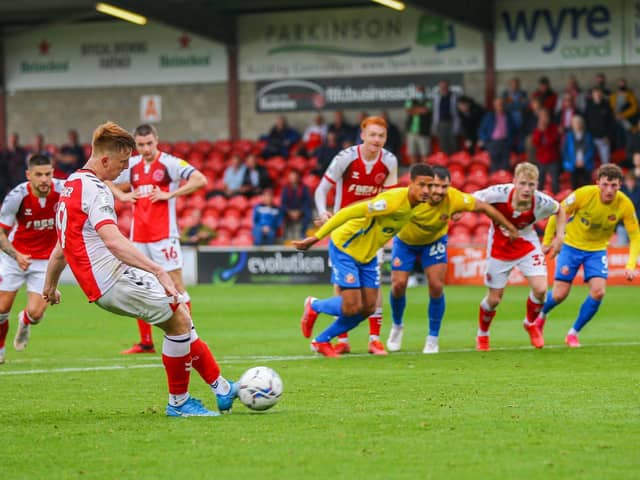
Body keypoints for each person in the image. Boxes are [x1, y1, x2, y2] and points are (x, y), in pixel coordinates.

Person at [43, 121, 237, 417]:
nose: (123, 170)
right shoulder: (95, 189)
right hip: (112, 279)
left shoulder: (71, 185)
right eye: (121, 163)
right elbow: (112, 240)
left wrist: (50, 285)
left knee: (180, 318)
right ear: (105, 159)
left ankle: (221, 388)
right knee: (181, 324)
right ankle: (180, 403)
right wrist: (157, 270)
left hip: (104, 283)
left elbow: (61, 247)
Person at [295, 164, 434, 357]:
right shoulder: (392, 202)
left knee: (368, 307)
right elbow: (349, 212)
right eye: (422, 185)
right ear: (411, 184)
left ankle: (320, 341)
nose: (426, 191)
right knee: (351, 305)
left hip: (367, 255)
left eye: (430, 186)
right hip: (346, 247)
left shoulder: (418, 206)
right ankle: (314, 305)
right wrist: (317, 237)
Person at [386, 166, 518, 354]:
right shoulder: (411, 197)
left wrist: (510, 227)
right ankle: (397, 327)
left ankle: (433, 338)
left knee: (436, 286)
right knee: (398, 285)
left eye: (445, 187)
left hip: (434, 242)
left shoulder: (454, 198)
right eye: (436, 186)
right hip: (405, 242)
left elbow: (484, 207)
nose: (440, 191)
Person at [107, 123, 207, 355]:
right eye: (140, 145)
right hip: (138, 237)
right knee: (141, 286)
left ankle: (190, 338)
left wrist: (170, 194)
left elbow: (200, 179)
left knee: (177, 287)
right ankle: (146, 342)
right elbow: (104, 177)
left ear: (156, 140)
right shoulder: (131, 165)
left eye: (149, 143)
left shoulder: (169, 163)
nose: (145, 148)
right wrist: (121, 194)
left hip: (164, 237)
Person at [313, 115, 398, 355]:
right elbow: (322, 189)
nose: (376, 139)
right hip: (344, 231)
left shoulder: (389, 161)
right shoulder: (346, 158)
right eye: (372, 134)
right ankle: (342, 340)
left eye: (381, 136)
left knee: (375, 284)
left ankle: (374, 339)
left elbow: (390, 199)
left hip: (371, 233)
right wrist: (323, 212)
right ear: (362, 135)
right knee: (342, 286)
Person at [537, 164, 639, 347]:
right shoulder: (583, 194)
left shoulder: (625, 204)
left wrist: (630, 265)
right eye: (605, 184)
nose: (609, 190)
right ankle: (540, 316)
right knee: (560, 294)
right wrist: (547, 241)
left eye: (614, 185)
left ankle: (573, 333)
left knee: (599, 291)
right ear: (598, 182)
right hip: (571, 246)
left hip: (597, 250)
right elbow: (558, 212)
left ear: (620, 185)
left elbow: (635, 236)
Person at [472, 162, 566, 351]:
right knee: (494, 299)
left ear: (537, 185)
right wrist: (458, 212)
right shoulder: (498, 193)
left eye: (531, 185)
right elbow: (471, 199)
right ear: (514, 181)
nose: (526, 189)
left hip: (526, 244)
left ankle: (530, 323)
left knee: (540, 289)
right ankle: (482, 335)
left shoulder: (540, 201)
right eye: (522, 183)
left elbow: (560, 210)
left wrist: (560, 237)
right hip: (499, 246)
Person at [0, 154, 64, 364]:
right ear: (29, 175)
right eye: (39, 175)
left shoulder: (63, 190)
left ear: (53, 173)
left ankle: (25, 321)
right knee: (1, 309)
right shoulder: (17, 196)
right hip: (15, 257)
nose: (44, 179)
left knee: (36, 314)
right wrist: (15, 255)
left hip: (45, 261)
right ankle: (0, 350)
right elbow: (1, 232)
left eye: (48, 174)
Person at [478, 97, 515, 173]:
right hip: (493, 143)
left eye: (501, 104)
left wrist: (511, 142)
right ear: (494, 106)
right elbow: (481, 130)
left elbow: (514, 130)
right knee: (494, 166)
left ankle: (504, 183)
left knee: (505, 166)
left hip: (505, 142)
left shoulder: (508, 116)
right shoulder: (489, 116)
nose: (500, 107)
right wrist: (485, 141)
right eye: (497, 105)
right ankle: (494, 182)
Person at [532, 108, 562, 194]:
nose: (544, 118)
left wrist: (545, 130)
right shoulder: (537, 129)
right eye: (542, 116)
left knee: (555, 182)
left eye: (545, 116)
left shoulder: (553, 127)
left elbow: (552, 141)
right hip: (541, 159)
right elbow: (535, 143)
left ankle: (557, 199)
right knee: (540, 182)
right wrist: (540, 131)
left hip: (553, 159)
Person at [562, 115, 596, 189]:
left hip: (585, 164)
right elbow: (565, 151)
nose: (577, 125)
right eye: (575, 123)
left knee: (587, 185)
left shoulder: (587, 136)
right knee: (574, 185)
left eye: (578, 123)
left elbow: (591, 150)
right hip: (573, 164)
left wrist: (584, 160)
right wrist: (572, 162)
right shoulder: (569, 136)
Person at [585, 86, 614, 165]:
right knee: (590, 160)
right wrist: (587, 135)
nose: (597, 95)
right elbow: (586, 121)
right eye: (595, 93)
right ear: (592, 95)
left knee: (605, 161)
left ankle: (605, 176)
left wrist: (608, 136)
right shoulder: (589, 105)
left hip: (604, 138)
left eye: (599, 93)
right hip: (591, 137)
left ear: (601, 94)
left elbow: (611, 122)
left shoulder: (606, 105)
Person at [280, 170, 312, 239]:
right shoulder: (286, 189)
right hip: (289, 211)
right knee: (280, 211)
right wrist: (290, 212)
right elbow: (283, 203)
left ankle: (303, 233)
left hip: (300, 211)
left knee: (308, 212)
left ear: (298, 177)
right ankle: (282, 234)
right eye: (291, 177)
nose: (293, 179)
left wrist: (300, 212)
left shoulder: (304, 188)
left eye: (294, 177)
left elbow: (307, 202)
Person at [404, 85, 432, 163]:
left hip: (423, 131)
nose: (420, 92)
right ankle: (414, 171)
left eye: (421, 91)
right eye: (418, 91)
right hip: (411, 131)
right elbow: (408, 110)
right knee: (412, 153)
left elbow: (425, 110)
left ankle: (424, 172)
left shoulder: (428, 100)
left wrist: (414, 109)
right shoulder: (411, 100)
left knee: (424, 153)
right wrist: (419, 109)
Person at [431, 80, 460, 155]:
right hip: (441, 123)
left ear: (448, 86)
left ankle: (454, 163)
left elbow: (457, 112)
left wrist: (457, 126)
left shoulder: (454, 96)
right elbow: (435, 112)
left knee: (453, 143)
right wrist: (434, 126)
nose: (443, 87)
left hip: (452, 122)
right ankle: (445, 161)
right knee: (443, 144)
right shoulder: (437, 96)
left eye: (445, 86)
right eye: (441, 86)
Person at [502, 77, 528, 153]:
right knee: (510, 140)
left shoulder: (523, 93)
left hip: (521, 121)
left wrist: (513, 104)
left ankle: (520, 155)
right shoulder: (506, 94)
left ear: (519, 85)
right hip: (510, 121)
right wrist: (518, 104)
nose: (515, 86)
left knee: (521, 141)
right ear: (510, 85)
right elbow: (506, 107)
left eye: (516, 84)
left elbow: (525, 105)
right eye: (513, 84)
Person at [616, 171, 640, 246]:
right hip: (622, 224)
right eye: (628, 180)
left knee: (635, 246)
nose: (630, 182)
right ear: (625, 181)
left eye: (632, 180)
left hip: (635, 223)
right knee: (622, 246)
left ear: (635, 181)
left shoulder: (639, 190)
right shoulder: (621, 191)